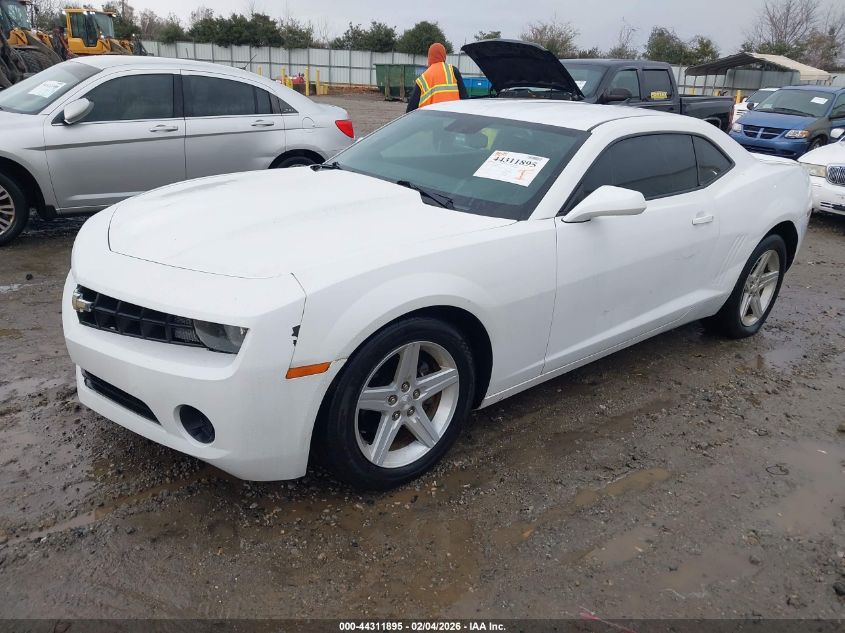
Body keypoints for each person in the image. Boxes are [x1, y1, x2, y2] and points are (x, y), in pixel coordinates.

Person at [406, 42, 468, 112]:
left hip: (432, 119)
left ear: (429, 57)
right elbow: (464, 98)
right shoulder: (453, 71)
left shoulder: (423, 78)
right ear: (444, 56)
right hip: (452, 118)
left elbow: (411, 108)